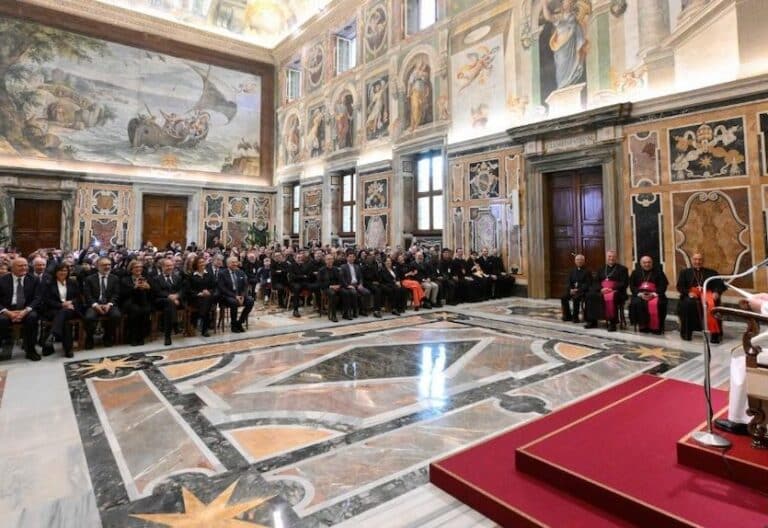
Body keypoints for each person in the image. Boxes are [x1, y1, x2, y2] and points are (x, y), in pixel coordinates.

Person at [676, 253, 725, 343]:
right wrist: (688, 293)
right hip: (691, 295)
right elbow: (680, 287)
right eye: (695, 259)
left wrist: (716, 292)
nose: (697, 262)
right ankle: (687, 333)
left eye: (700, 259)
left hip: (708, 295)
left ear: (703, 261)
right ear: (692, 260)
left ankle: (715, 335)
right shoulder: (685, 272)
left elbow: (720, 285)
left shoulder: (712, 272)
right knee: (688, 303)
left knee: (712, 304)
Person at [0, 258, 42, 360]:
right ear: (12, 268)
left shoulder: (34, 279)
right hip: (7, 309)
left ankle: (30, 350)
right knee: (2, 320)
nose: (24, 268)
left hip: (26, 309)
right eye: (20, 266)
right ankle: (4, 347)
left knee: (33, 318)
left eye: (25, 265)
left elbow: (37, 298)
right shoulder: (2, 280)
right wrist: (7, 312)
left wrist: (25, 311)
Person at [41, 262, 80, 358]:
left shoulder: (72, 282)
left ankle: (52, 335)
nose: (63, 272)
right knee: (65, 322)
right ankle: (68, 349)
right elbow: (47, 300)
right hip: (53, 309)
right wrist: (61, 305)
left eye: (65, 270)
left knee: (64, 313)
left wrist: (70, 302)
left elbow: (78, 297)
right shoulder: (49, 283)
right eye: (60, 270)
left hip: (70, 309)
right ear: (55, 272)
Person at [583, 250, 628, 332]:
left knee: (611, 297)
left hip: (616, 292)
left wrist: (612, 289)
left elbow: (624, 283)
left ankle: (612, 322)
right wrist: (601, 289)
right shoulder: (601, 268)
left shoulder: (622, 269)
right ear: (606, 258)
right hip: (602, 290)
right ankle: (592, 321)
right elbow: (596, 281)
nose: (611, 258)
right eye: (609, 256)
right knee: (590, 295)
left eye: (613, 256)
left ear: (616, 258)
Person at [83, 257, 121, 349]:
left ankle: (107, 336)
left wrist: (109, 304)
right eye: (104, 265)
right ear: (98, 266)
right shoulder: (89, 279)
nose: (107, 267)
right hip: (94, 304)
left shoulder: (114, 278)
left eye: (109, 265)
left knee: (116, 315)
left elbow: (116, 294)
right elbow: (87, 295)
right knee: (89, 317)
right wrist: (95, 305)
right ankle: (89, 338)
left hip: (109, 304)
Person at [628, 255, 669, 335]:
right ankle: (643, 325)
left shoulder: (659, 272)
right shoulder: (635, 273)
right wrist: (640, 294)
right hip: (640, 294)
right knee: (637, 303)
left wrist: (653, 294)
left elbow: (663, 286)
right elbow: (632, 286)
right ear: (640, 263)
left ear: (652, 263)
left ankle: (656, 327)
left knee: (659, 303)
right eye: (644, 262)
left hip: (655, 294)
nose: (647, 264)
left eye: (649, 262)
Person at [152, 258, 185, 346]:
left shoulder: (177, 277)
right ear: (162, 267)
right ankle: (175, 325)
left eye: (171, 265)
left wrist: (177, 296)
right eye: (167, 266)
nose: (169, 267)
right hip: (161, 301)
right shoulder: (156, 278)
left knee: (169, 308)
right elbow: (157, 291)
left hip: (175, 301)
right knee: (169, 303)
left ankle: (168, 335)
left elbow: (182, 289)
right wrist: (169, 296)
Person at [120, 260, 153, 346]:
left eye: (140, 267)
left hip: (144, 302)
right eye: (136, 267)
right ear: (131, 269)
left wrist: (148, 288)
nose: (139, 269)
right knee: (135, 311)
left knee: (145, 310)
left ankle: (141, 336)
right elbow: (123, 294)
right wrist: (134, 287)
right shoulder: (125, 280)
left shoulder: (147, 278)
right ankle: (133, 337)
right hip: (130, 302)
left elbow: (154, 293)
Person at [217, 256, 253, 333]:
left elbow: (245, 285)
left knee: (250, 300)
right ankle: (233, 325)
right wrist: (235, 296)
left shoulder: (240, 272)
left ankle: (239, 322)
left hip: (240, 295)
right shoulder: (222, 273)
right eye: (233, 262)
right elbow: (222, 288)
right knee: (234, 302)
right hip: (227, 296)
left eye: (236, 262)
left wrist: (242, 296)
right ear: (227, 264)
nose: (235, 264)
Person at [186, 256, 215, 337]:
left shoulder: (209, 274)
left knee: (207, 299)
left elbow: (214, 287)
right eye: (200, 262)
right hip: (195, 298)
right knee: (206, 303)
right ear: (196, 264)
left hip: (207, 297)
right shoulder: (191, 275)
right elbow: (188, 289)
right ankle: (204, 329)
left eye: (203, 262)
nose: (202, 264)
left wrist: (208, 291)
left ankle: (198, 319)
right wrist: (199, 293)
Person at [340, 252, 372, 318]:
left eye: (353, 257)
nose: (352, 258)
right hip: (349, 285)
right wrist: (347, 286)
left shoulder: (357, 266)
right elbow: (342, 278)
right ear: (347, 258)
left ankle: (362, 310)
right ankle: (354, 312)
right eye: (350, 256)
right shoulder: (343, 267)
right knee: (354, 293)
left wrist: (360, 284)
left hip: (357, 285)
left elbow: (360, 277)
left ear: (354, 258)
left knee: (367, 292)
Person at [561, 254, 590, 323]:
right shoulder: (572, 271)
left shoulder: (587, 271)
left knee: (576, 298)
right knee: (563, 297)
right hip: (572, 290)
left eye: (581, 260)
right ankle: (567, 316)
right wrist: (570, 289)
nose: (579, 261)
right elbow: (568, 281)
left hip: (582, 291)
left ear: (584, 261)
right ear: (575, 261)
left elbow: (588, 284)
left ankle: (575, 317)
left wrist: (578, 289)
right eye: (577, 260)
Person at [317, 254, 346, 322]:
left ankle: (346, 313)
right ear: (325, 261)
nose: (330, 261)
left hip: (337, 287)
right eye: (328, 259)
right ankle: (333, 315)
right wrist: (330, 286)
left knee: (345, 292)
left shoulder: (336, 269)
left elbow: (340, 280)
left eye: (331, 259)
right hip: (326, 288)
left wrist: (339, 285)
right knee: (332, 294)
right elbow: (320, 283)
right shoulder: (321, 270)